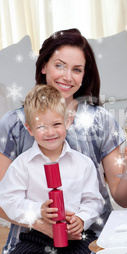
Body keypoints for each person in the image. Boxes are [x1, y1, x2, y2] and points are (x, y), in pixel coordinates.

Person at [0, 29, 127, 253]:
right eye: (59, 65)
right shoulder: (14, 123)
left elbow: (122, 199)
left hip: (90, 235)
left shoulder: (100, 121)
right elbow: (3, 197)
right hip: (31, 237)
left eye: (76, 69)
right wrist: (43, 224)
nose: (67, 76)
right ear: (43, 66)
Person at [0, 85, 104, 253]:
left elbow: (93, 200)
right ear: (30, 129)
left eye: (56, 124)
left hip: (76, 235)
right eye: (41, 126)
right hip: (37, 236)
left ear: (68, 121)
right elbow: (8, 201)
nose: (50, 132)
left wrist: (81, 219)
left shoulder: (83, 163)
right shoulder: (21, 165)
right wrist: (38, 210)